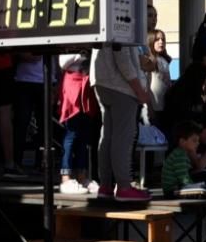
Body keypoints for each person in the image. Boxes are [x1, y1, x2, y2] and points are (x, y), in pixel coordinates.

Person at [90, 31, 153, 200]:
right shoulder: (124, 20)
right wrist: (139, 90)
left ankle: (105, 186)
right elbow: (122, 57)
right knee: (122, 137)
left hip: (101, 81)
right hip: (121, 86)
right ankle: (124, 186)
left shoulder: (107, 18)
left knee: (108, 135)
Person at [58, 51, 98, 195]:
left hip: (86, 85)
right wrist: (80, 52)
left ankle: (82, 176)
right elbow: (62, 63)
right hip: (72, 85)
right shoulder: (70, 42)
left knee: (84, 137)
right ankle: (66, 177)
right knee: (71, 135)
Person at [161, 120, 204, 199]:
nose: (198, 143)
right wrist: (194, 187)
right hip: (172, 191)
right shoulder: (179, 155)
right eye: (194, 140)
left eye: (198, 141)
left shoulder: (181, 153)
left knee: (203, 174)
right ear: (182, 141)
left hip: (175, 189)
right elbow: (184, 178)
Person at [143, 28, 172, 133]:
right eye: (157, 39)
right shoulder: (149, 61)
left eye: (163, 39)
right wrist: (149, 108)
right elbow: (146, 86)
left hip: (165, 108)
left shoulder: (164, 60)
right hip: (153, 108)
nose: (161, 42)